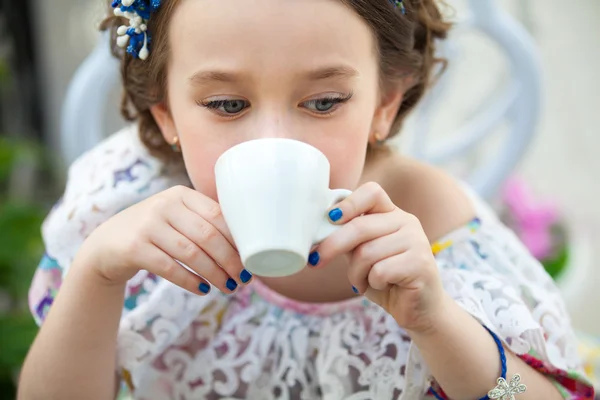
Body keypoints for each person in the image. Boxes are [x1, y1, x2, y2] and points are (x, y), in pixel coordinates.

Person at [18, 0, 595, 399]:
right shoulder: (125, 203)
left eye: (323, 102)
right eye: (225, 105)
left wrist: (442, 324)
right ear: (165, 112)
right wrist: (97, 274)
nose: (275, 141)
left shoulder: (445, 236)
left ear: (385, 104)